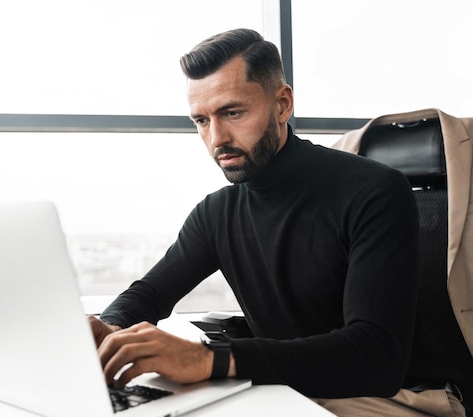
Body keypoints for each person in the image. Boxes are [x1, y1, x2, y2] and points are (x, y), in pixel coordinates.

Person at [89, 28, 462, 416]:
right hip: (289, 386)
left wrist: (211, 359)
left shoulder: (374, 191)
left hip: (400, 397)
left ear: (282, 104)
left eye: (232, 112)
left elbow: (376, 359)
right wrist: (110, 328)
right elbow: (149, 292)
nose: (216, 138)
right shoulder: (216, 212)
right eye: (201, 120)